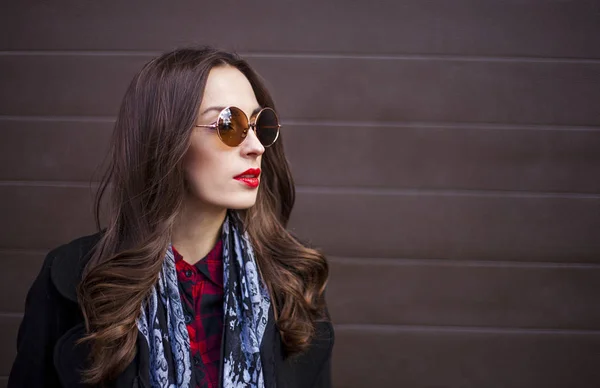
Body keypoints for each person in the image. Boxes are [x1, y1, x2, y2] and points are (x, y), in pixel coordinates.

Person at [8, 47, 334, 388]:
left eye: (259, 125)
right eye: (229, 124)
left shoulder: (293, 280)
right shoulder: (76, 279)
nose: (256, 146)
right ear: (166, 138)